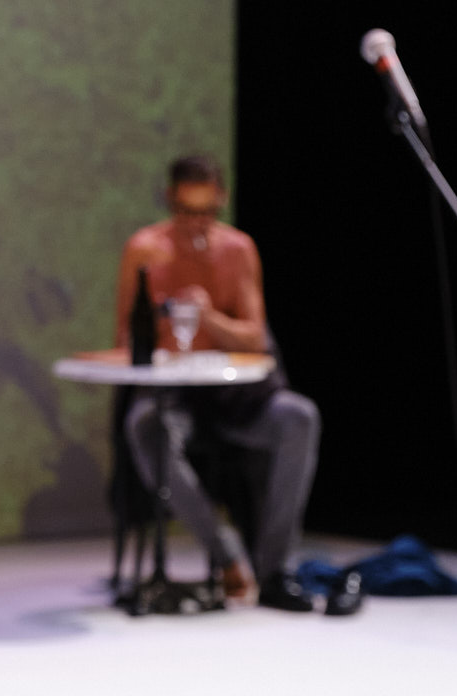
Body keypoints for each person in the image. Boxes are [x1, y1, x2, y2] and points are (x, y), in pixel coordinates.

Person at [113, 154, 353, 614]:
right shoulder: (144, 249)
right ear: (170, 200)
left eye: (206, 212)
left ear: (220, 201)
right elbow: (125, 339)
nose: (196, 223)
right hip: (174, 394)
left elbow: (255, 337)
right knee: (144, 428)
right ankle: (225, 555)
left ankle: (275, 570)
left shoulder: (237, 250)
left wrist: (209, 318)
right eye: (187, 211)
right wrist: (165, 327)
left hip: (236, 395)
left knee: (299, 417)